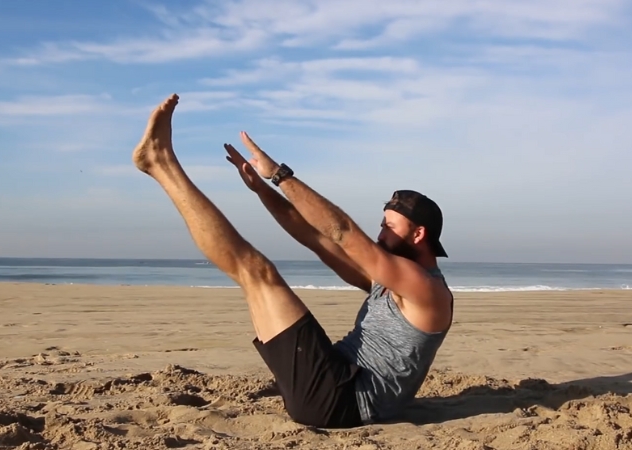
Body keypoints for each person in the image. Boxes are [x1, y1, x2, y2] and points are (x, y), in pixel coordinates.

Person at [133, 93, 454, 429]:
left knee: (256, 271)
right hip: (332, 382)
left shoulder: (425, 288)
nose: (379, 234)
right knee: (253, 274)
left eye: (388, 227)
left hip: (341, 401)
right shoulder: (389, 280)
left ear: (417, 235)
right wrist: (261, 189)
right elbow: (313, 236)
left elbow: (342, 231)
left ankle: (161, 164)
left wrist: (281, 175)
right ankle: (160, 164)